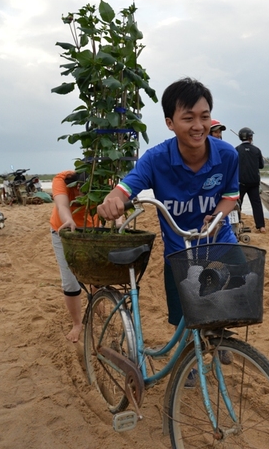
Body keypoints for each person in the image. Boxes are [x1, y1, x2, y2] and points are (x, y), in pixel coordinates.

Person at [97, 77, 240, 329]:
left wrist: (217, 215)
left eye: (204, 117)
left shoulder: (227, 155)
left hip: (219, 242)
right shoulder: (156, 159)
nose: (199, 126)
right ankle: (190, 366)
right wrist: (113, 199)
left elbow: (230, 196)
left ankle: (220, 341)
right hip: (179, 251)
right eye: (188, 118)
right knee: (185, 323)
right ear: (169, 123)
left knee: (235, 298)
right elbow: (126, 187)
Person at [50, 170, 97, 343]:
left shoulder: (102, 181)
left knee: (97, 274)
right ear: (75, 185)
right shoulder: (62, 179)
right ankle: (77, 324)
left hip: (92, 231)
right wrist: (68, 220)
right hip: (63, 231)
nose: (81, 196)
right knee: (70, 280)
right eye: (80, 191)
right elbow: (62, 205)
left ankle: (96, 301)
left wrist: (120, 221)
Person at [235, 127, 267, 233]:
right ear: (250, 137)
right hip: (254, 182)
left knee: (238, 204)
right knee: (256, 204)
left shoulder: (236, 150)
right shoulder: (256, 150)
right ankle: (261, 226)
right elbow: (261, 166)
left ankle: (236, 225)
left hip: (241, 182)